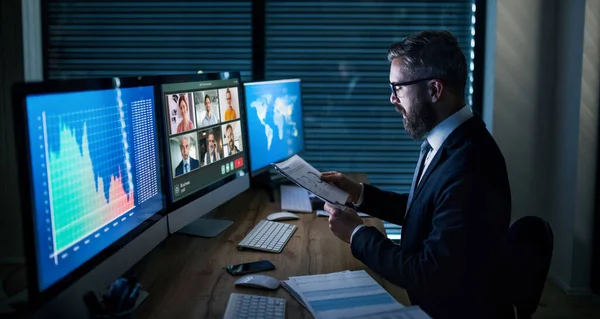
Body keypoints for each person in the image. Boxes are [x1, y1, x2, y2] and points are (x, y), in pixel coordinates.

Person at [321, 30, 514, 319]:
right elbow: (426, 210)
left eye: (397, 88)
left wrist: (356, 234)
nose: (391, 99)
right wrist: (360, 194)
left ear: (434, 90)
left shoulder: (472, 164)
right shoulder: (448, 140)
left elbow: (428, 273)